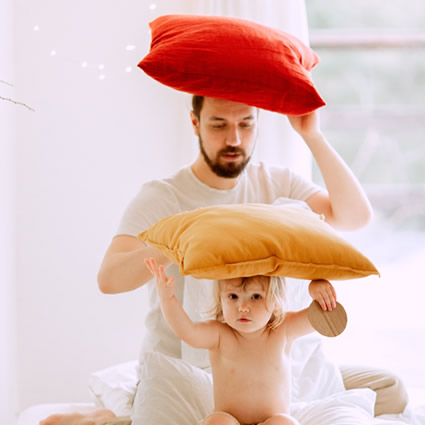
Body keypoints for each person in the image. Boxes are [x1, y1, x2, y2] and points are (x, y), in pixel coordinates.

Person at [40, 96, 408, 425]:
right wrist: (183, 239)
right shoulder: (162, 197)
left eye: (246, 124)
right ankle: (109, 418)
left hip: (269, 355)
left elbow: (354, 217)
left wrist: (311, 134)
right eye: (219, 124)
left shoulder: (277, 183)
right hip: (194, 362)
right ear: (195, 123)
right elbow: (109, 279)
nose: (234, 138)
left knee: (390, 389)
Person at [145, 256, 338, 425]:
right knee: (218, 421)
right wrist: (167, 299)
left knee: (285, 423)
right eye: (233, 296)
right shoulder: (220, 335)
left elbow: (324, 315)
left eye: (255, 296)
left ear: (276, 299)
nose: (243, 306)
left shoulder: (282, 329)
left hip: (272, 420)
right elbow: (186, 331)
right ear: (221, 299)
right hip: (229, 419)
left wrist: (317, 287)